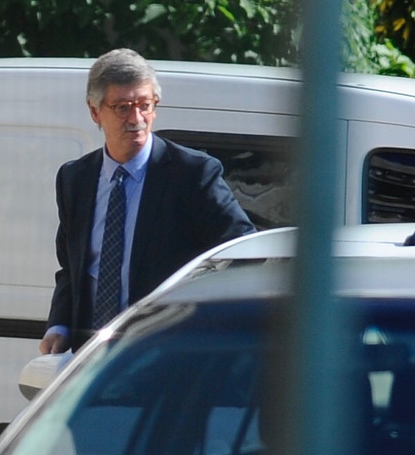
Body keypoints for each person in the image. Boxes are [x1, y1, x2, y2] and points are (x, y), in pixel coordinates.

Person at [39, 48, 256, 354]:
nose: (137, 119)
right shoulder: (75, 179)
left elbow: (243, 251)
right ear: (95, 112)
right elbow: (72, 269)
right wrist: (59, 326)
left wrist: (198, 320)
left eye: (145, 105)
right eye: (123, 107)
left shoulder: (191, 175)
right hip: (91, 354)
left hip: (166, 352)